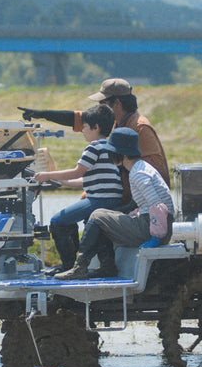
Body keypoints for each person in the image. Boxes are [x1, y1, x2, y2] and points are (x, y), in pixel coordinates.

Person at [18, 77, 169, 207]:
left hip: (140, 201)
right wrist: (44, 114)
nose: (99, 107)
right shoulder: (117, 121)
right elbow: (78, 118)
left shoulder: (140, 128)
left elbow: (151, 173)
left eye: (103, 103)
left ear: (117, 103)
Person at [54, 127, 175, 280]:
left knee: (98, 215)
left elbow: (157, 206)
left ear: (121, 154)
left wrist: (156, 237)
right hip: (156, 226)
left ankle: (80, 267)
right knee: (104, 215)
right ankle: (106, 266)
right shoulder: (140, 168)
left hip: (153, 230)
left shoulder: (138, 174)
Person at [31, 103, 123, 274]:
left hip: (99, 199)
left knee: (58, 221)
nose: (82, 131)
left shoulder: (93, 147)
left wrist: (48, 175)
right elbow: (85, 180)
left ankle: (69, 265)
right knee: (79, 220)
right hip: (112, 198)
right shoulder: (110, 147)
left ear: (96, 127)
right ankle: (106, 263)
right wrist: (62, 182)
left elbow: (77, 172)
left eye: (85, 127)